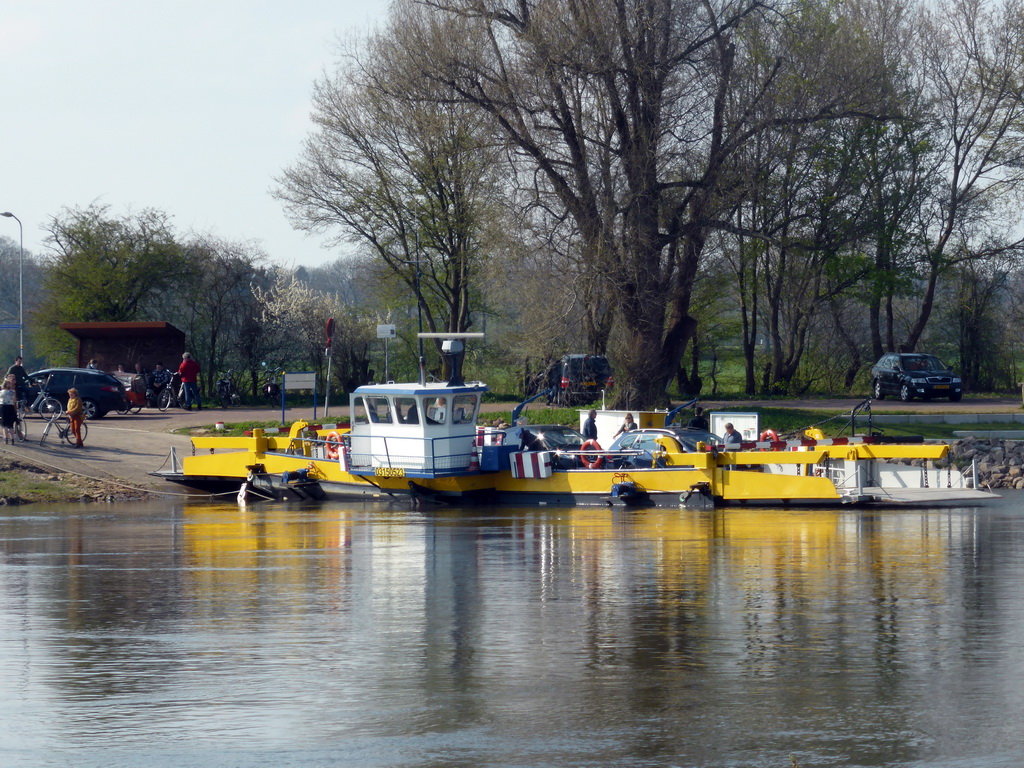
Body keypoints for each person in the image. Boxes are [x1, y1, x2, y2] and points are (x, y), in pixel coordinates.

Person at [0, 378, 17, 444]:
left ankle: (6, 439)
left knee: (4, 424)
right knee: (10, 425)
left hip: (3, 407)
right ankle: (12, 439)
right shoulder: (13, 392)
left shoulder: (1, 392)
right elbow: (14, 400)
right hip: (10, 408)